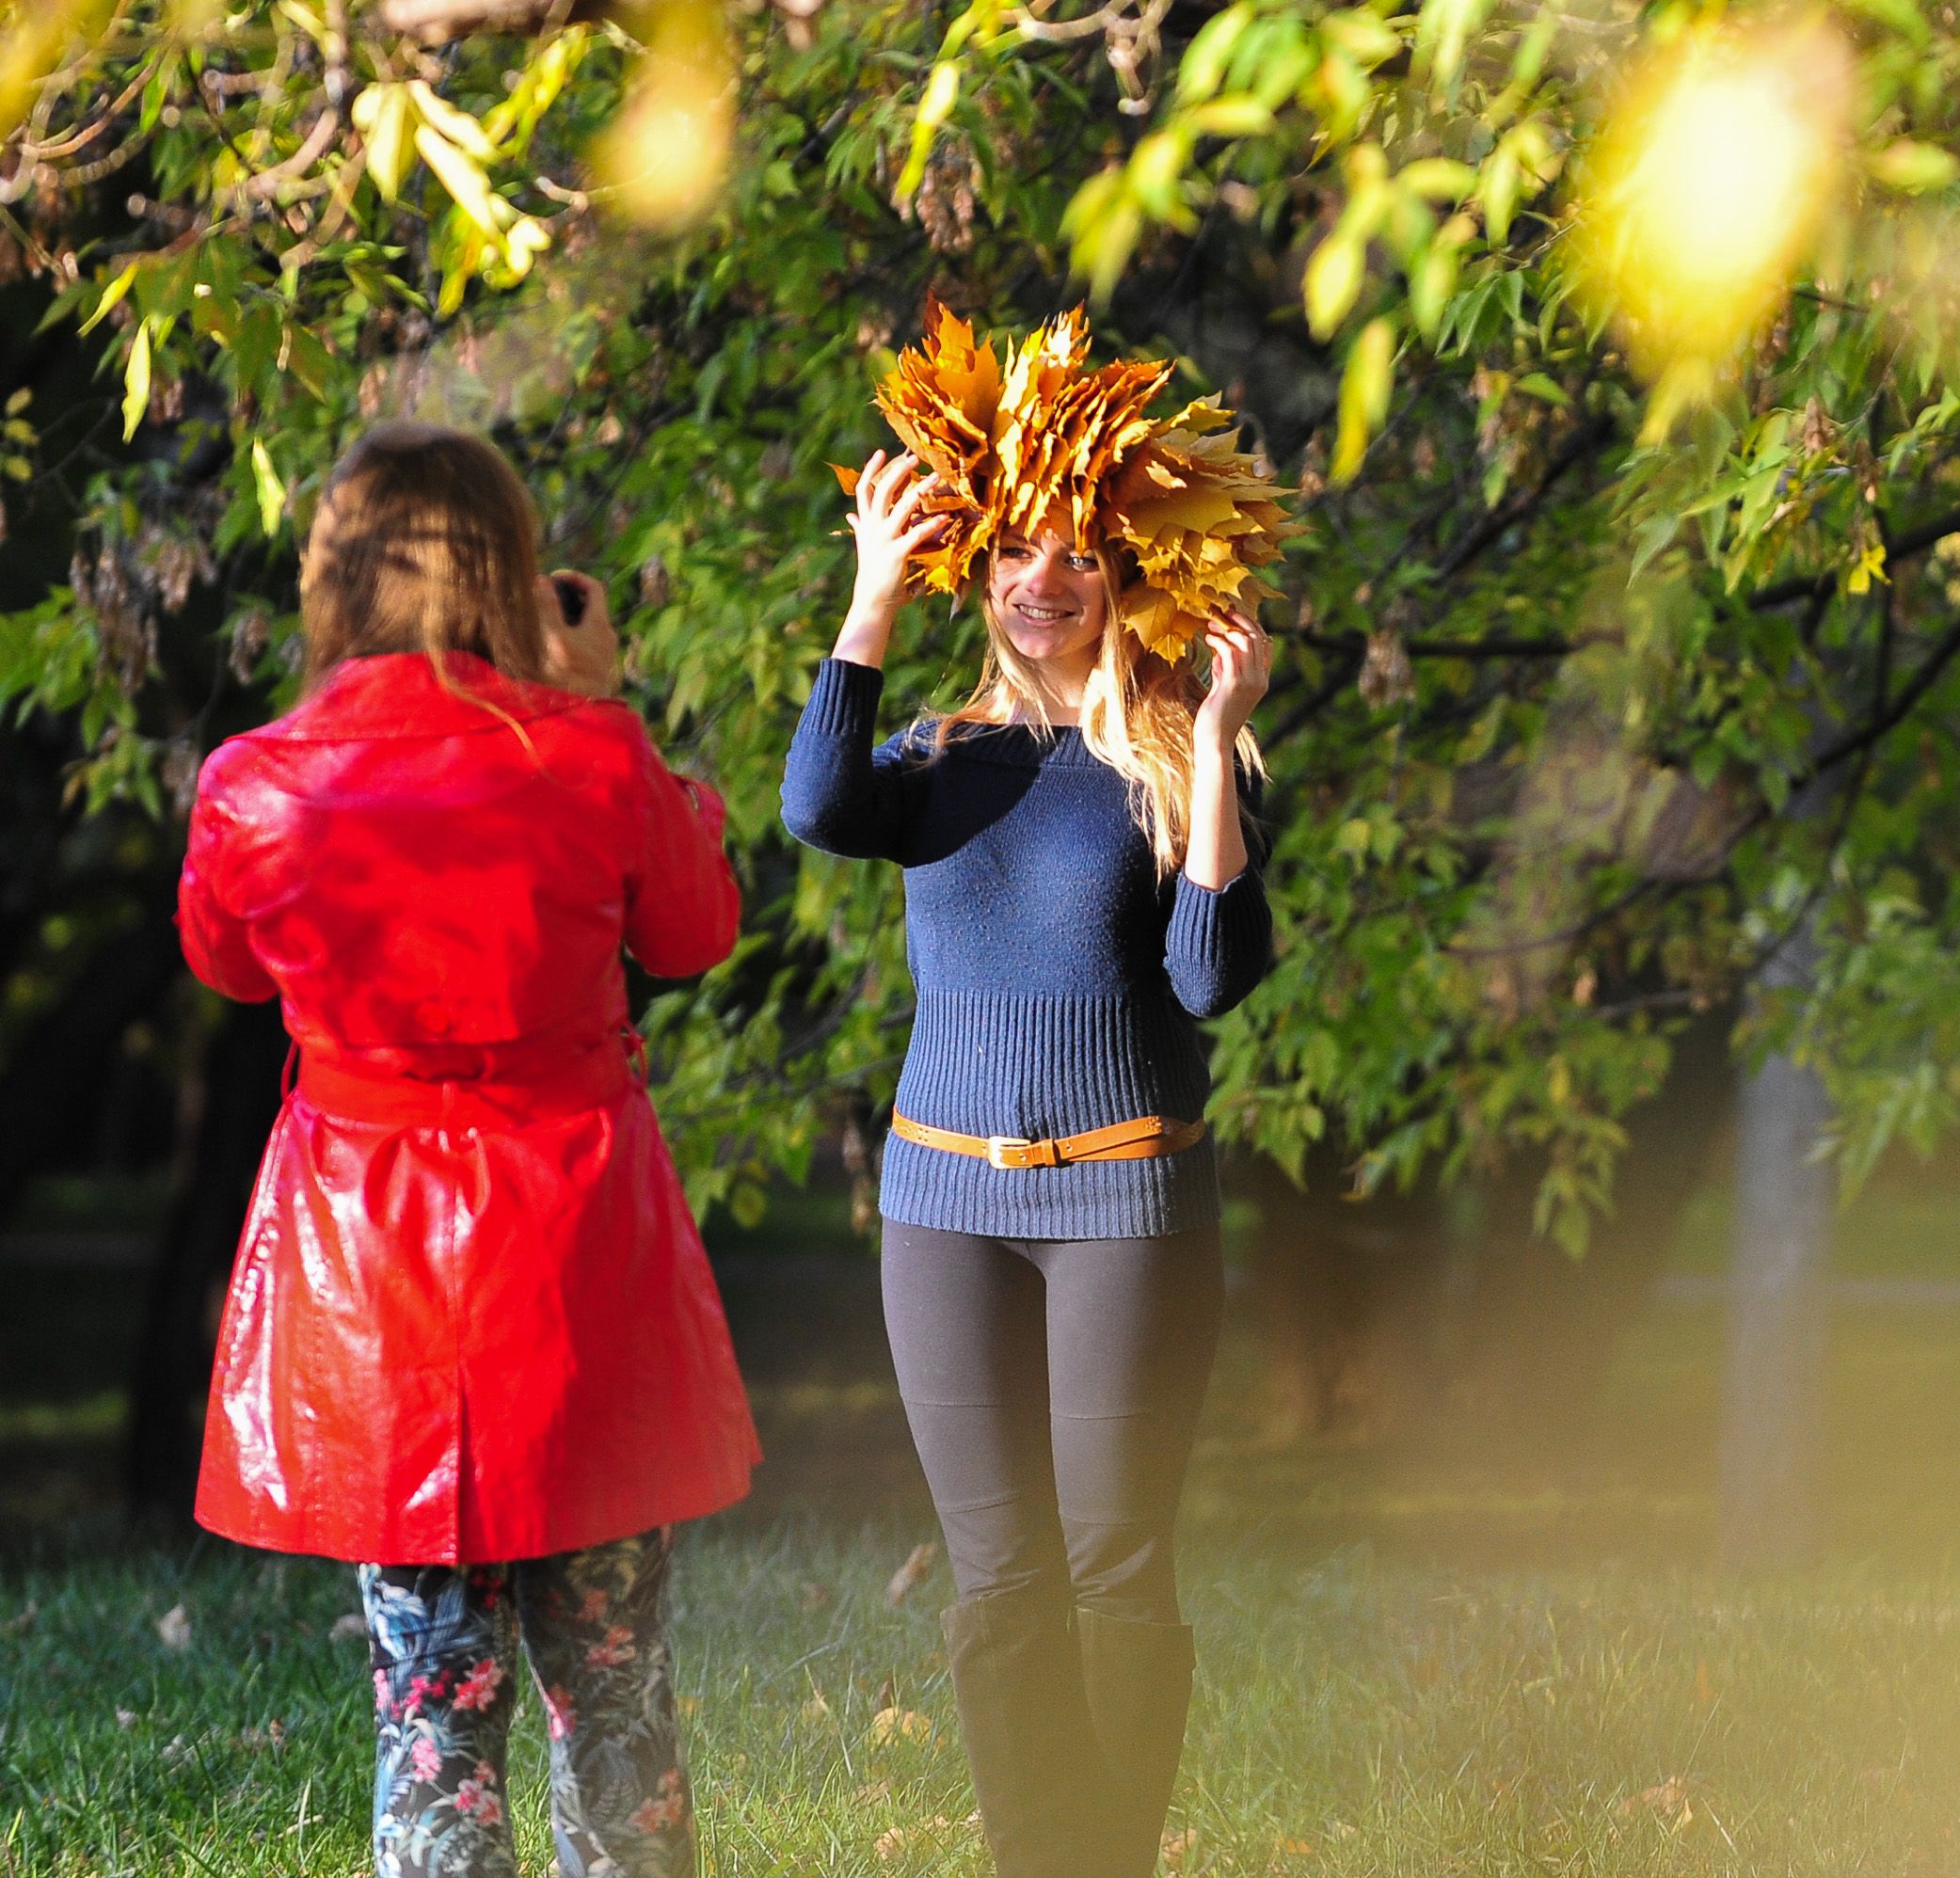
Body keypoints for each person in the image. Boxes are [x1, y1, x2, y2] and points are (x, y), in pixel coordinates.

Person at [175, 422, 760, 1878]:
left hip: (376, 1290)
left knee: (431, 1721)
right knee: (617, 1696)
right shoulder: (591, 754)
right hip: (578, 1272)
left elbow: (229, 969)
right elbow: (695, 929)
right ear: (510, 569)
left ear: (338, 575)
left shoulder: (259, 782)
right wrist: (600, 704)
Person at [780, 306, 1284, 1878]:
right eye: (1015, 548)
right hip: (942, 1204)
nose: (1041, 577)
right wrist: (867, 604)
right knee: (998, 1575)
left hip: (1126, 1201)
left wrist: (1209, 744)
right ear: (977, 567)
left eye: (1076, 552)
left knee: (1115, 1563)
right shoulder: (938, 754)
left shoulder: (1177, 766)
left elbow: (1211, 978)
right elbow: (818, 808)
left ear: (1127, 572)